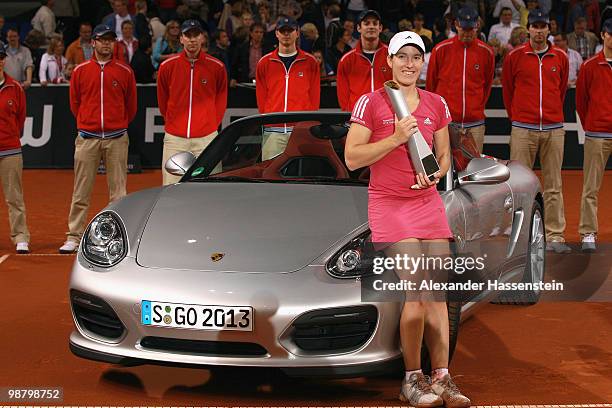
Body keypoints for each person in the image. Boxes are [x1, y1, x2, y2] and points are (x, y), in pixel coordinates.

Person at [344, 31, 471, 408]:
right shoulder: (372, 103)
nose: (410, 64)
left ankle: (442, 377)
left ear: (423, 63)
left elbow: (444, 155)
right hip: (389, 205)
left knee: (436, 293)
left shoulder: (436, 103)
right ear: (389, 61)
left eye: (416, 57)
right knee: (416, 289)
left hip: (427, 204)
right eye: (403, 57)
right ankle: (412, 379)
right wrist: (396, 137)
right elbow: (353, 158)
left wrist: (434, 174)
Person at [59, 24, 137, 253]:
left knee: (119, 193)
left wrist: (117, 124)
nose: (106, 44)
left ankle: (118, 238)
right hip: (88, 137)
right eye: (102, 40)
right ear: (93, 42)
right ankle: (73, 236)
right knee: (81, 190)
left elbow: (130, 107)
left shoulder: (125, 71)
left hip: (117, 137)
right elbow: (75, 104)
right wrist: (89, 123)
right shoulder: (81, 71)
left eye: (110, 40)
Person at [502, 9, 570, 253]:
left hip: (553, 128)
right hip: (523, 128)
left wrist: (550, 114)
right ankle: (522, 239)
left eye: (543, 26)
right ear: (528, 28)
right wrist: (518, 117)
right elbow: (508, 91)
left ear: (549, 29)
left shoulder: (560, 57)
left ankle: (554, 235)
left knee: (554, 185)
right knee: (520, 186)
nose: (539, 30)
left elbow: (561, 91)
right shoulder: (515, 57)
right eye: (535, 26)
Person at [157, 19, 227, 185]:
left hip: (207, 138)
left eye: (196, 35)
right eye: (188, 35)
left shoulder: (217, 67)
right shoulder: (167, 66)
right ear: (181, 39)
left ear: (202, 38)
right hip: (175, 139)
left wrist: (210, 126)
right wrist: (174, 124)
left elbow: (221, 101)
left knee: (210, 188)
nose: (192, 39)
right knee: (170, 189)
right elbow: (162, 100)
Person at [427, 6, 495, 154]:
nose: (467, 33)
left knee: (474, 168)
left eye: (470, 29)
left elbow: (487, 85)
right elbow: (431, 86)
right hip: (447, 123)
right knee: (444, 167)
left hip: (475, 123)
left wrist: (477, 109)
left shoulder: (486, 52)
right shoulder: (441, 50)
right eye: (464, 28)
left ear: (477, 26)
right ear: (456, 25)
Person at [256, 16, 320, 160]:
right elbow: (261, 98)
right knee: (270, 174)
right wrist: (268, 120)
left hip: (300, 131)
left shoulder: (310, 62)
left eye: (290, 30)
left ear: (297, 33)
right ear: (276, 33)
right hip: (273, 130)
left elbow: (314, 98)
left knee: (301, 175)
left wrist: (307, 125)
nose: (286, 34)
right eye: (282, 31)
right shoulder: (264, 63)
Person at [576, 18, 612, 252]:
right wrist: (593, 122)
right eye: (611, 33)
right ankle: (588, 232)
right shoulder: (590, 66)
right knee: (591, 186)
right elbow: (581, 101)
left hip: (599, 131)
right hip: (598, 132)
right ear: (603, 35)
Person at [0, 41, 31, 254]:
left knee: (14, 196)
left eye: (0, 57)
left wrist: (11, 136)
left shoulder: (15, 88)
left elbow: (20, 119)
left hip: (9, 149)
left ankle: (20, 236)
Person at [336, 10, 392, 112]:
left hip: (385, 116)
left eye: (375, 23)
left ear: (380, 28)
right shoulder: (347, 60)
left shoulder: (391, 56)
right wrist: (350, 115)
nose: (371, 26)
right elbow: (343, 95)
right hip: (357, 119)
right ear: (358, 28)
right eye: (366, 23)